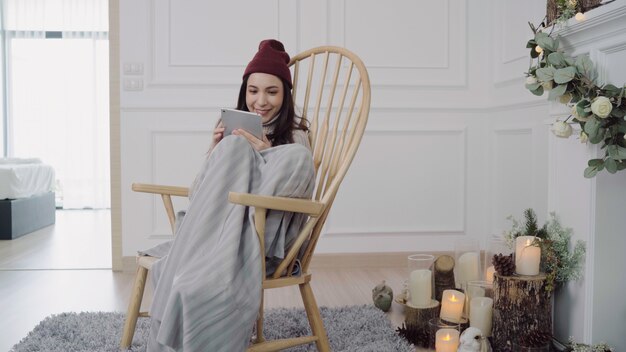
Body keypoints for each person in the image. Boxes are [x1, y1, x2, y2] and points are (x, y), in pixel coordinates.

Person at [143, 39, 315, 352]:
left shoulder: (297, 137)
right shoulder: (231, 131)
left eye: (272, 91)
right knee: (234, 147)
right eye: (253, 91)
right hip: (214, 234)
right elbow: (200, 198)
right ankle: (202, 273)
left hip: (263, 239)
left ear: (285, 95)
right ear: (244, 92)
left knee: (292, 157)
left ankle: (211, 273)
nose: (260, 101)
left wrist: (267, 155)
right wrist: (215, 151)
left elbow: (297, 200)